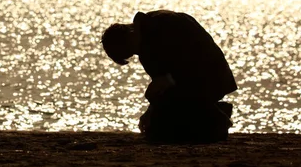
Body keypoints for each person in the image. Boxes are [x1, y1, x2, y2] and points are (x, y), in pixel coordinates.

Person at [101, 10, 238, 143]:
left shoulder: (163, 27)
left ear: (130, 34)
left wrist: (165, 87)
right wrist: (151, 109)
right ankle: (212, 112)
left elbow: (187, 65)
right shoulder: (147, 42)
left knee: (165, 129)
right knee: (157, 128)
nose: (135, 54)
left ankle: (215, 117)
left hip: (210, 79)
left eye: (131, 50)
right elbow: (161, 85)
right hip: (195, 82)